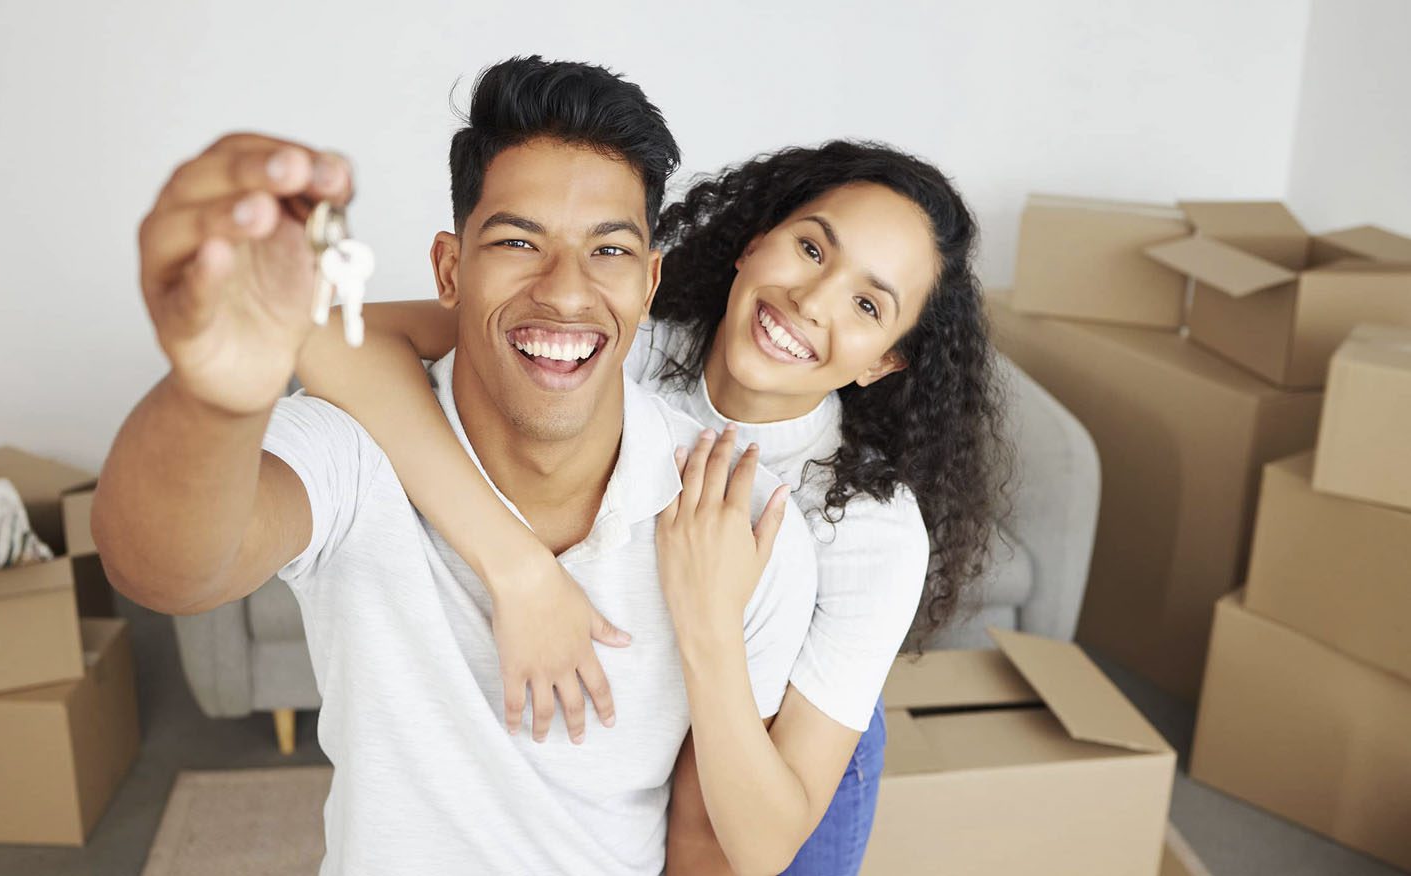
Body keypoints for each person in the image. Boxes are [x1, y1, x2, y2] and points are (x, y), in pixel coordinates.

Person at [90, 56, 819, 876]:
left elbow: (712, 839)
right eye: (517, 241)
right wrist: (214, 396)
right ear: (449, 270)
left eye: (608, 251)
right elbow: (164, 571)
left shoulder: (735, 518)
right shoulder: (356, 445)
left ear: (649, 283)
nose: (566, 292)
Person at [296, 141, 1006, 873]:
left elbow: (761, 844)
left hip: (781, 766)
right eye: (810, 249)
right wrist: (515, 568)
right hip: (642, 721)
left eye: (866, 304)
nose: (810, 301)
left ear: (881, 361)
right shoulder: (618, 346)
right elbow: (323, 334)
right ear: (755, 243)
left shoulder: (869, 530)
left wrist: (708, 615)